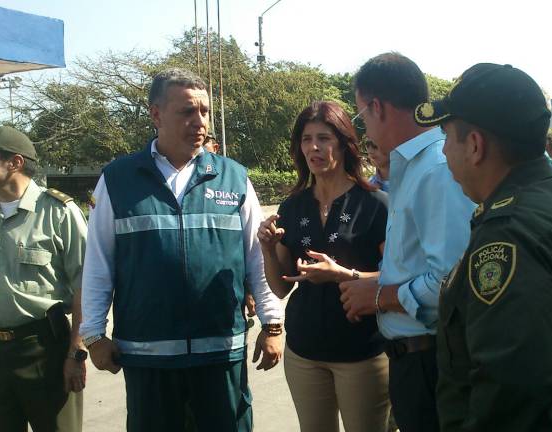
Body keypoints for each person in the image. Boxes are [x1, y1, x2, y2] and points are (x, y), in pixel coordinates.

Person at [414, 63, 552, 431]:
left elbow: (512, 398)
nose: (444, 152)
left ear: (475, 145)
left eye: (447, 137)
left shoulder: (511, 234)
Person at [79, 68, 284, 432]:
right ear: (156, 114)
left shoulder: (234, 177)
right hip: (148, 356)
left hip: (220, 351)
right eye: (187, 111)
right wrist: (93, 333)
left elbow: (256, 256)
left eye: (204, 111)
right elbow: (98, 261)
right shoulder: (118, 179)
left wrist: (272, 323)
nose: (199, 121)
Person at [338, 52, 475, 432]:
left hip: (431, 362)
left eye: (360, 114)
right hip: (415, 360)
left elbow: (454, 280)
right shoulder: (413, 165)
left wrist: (380, 296)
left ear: (376, 107)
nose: (363, 126)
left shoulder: (435, 168)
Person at [257, 101, 390, 432]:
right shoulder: (293, 206)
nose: (313, 147)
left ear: (344, 144)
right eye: (306, 139)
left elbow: (399, 277)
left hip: (362, 350)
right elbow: (281, 286)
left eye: (324, 138)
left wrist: (344, 275)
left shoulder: (375, 204)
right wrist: (268, 249)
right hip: (304, 350)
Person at [0, 126, 86, 431]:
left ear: (14, 162)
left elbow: (86, 285)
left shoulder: (58, 212)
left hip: (44, 351)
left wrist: (75, 353)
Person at [202, 133, 257, 320]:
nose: (199, 146)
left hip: (225, 314)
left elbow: (252, 250)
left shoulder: (234, 178)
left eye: (205, 143)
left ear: (215, 148)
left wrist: (249, 291)